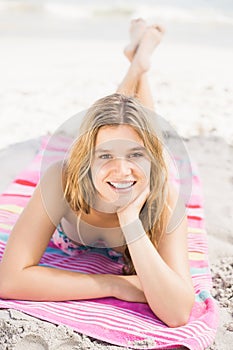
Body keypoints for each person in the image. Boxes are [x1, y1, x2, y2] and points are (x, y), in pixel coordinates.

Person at [0, 19, 195, 328]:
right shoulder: (63, 180)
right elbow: (9, 280)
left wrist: (131, 220)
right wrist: (113, 284)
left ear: (152, 161)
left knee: (133, 124)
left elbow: (179, 312)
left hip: (150, 179)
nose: (120, 170)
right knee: (120, 120)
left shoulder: (165, 193)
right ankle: (136, 63)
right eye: (104, 156)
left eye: (136, 155)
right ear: (85, 159)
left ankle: (136, 64)